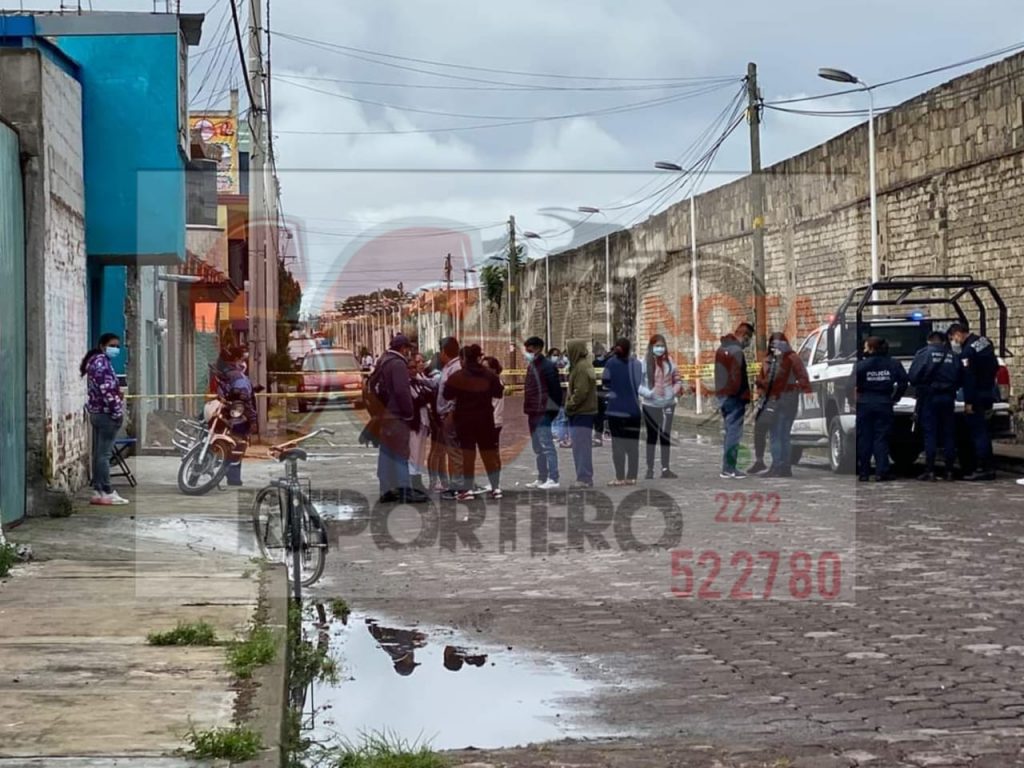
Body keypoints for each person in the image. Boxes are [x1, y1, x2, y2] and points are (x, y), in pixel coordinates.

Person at [370, 333, 427, 503]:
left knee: (386, 453)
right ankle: (404, 490)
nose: (408, 352)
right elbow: (402, 391)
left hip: (384, 414)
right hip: (397, 415)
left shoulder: (383, 361)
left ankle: (386, 489)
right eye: (407, 348)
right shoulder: (398, 364)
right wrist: (409, 412)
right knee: (401, 452)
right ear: (403, 348)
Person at [443, 345, 505, 500]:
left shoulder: (458, 376)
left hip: (464, 420)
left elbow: (447, 395)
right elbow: (498, 392)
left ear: (464, 359)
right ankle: (496, 487)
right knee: (489, 454)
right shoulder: (489, 375)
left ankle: (467, 489)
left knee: (468, 455)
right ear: (478, 357)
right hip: (485, 419)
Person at [81, 333, 129, 506]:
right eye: (112, 345)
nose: (115, 349)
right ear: (102, 346)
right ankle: (106, 491)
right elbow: (107, 391)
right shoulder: (102, 364)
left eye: (117, 346)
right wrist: (117, 412)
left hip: (97, 413)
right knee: (104, 455)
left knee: (99, 454)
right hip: (106, 414)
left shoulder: (95, 362)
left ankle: (98, 490)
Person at [948, 322, 999, 481]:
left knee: (978, 432)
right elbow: (995, 366)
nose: (954, 342)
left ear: (958, 333)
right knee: (984, 430)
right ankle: (989, 466)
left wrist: (968, 402)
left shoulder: (967, 352)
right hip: (988, 391)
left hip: (976, 394)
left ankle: (983, 468)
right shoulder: (984, 341)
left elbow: (969, 378)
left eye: (953, 338)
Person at [854, 336, 909, 482]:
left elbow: (849, 385)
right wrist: (895, 398)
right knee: (881, 437)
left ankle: (864, 472)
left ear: (872, 349)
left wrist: (854, 400)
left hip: (865, 403)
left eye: (866, 346)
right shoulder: (894, 364)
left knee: (864, 437)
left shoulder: (861, 365)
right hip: (884, 402)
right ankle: (881, 471)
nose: (864, 349)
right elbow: (903, 382)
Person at [756, 332, 811, 478]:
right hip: (791, 400)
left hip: (778, 400)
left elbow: (770, 381)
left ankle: (777, 466)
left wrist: (761, 385)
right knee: (785, 434)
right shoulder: (794, 357)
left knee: (776, 434)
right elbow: (803, 378)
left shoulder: (777, 360)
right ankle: (785, 467)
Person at [908, 331, 960, 481]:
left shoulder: (923, 354)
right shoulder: (953, 355)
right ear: (944, 342)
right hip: (948, 397)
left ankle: (930, 470)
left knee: (930, 433)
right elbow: (960, 377)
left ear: (928, 341)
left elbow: (913, 377)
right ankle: (949, 471)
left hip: (929, 397)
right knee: (949, 434)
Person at [639, 334, 683, 480]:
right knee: (651, 437)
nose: (660, 349)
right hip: (650, 405)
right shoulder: (644, 363)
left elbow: (678, 380)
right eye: (657, 346)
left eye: (662, 346)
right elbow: (637, 384)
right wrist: (649, 393)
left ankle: (665, 468)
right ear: (651, 347)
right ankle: (650, 469)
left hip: (667, 405)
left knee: (665, 437)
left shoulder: (669, 362)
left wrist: (673, 392)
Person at [212, 346, 257, 487]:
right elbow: (244, 400)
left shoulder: (219, 374)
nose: (244, 363)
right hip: (235, 419)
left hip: (220, 415)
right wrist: (253, 420)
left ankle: (195, 475)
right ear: (236, 360)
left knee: (218, 446)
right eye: (242, 359)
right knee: (236, 448)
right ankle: (233, 479)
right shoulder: (238, 377)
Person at [715, 322, 754, 479]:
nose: (748, 343)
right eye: (749, 339)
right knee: (734, 433)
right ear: (745, 336)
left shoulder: (721, 349)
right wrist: (742, 396)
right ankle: (730, 468)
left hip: (722, 396)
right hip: (735, 398)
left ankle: (726, 468)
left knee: (729, 431)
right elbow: (737, 377)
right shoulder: (737, 351)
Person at [523, 336, 563, 489]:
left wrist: (551, 411)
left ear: (538, 348)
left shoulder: (547, 366)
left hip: (543, 411)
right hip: (532, 410)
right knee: (538, 447)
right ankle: (542, 476)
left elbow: (556, 391)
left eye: (530, 350)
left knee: (547, 445)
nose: (527, 353)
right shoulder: (532, 366)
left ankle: (553, 478)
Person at [602, 337, 643, 486]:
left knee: (617, 445)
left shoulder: (610, 363)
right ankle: (632, 476)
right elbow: (639, 383)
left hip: (616, 410)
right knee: (633, 445)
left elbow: (605, 382)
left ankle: (619, 477)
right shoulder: (637, 364)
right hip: (633, 410)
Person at [564, 339, 598, 488]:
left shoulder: (581, 367)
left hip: (581, 412)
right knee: (580, 446)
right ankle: (583, 476)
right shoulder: (581, 365)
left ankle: (584, 477)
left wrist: (570, 405)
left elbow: (581, 392)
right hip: (582, 411)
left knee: (581, 446)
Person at [435, 336, 465, 499]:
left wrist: (451, 413)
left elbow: (456, 395)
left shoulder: (456, 368)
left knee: (455, 452)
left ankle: (459, 486)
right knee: (452, 451)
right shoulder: (448, 368)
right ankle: (457, 483)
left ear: (444, 352)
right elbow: (439, 385)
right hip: (446, 414)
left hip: (451, 415)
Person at [407, 350, 436, 493]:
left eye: (416, 365)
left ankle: (417, 481)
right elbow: (418, 400)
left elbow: (429, 394)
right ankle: (413, 482)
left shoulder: (420, 379)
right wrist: (425, 397)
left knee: (420, 453)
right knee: (414, 453)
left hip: (424, 421)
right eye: (411, 367)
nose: (414, 369)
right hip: (414, 423)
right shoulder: (407, 383)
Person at [483, 356, 506, 492]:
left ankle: (495, 483)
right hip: (491, 420)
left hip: (493, 421)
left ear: (493, 369)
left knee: (492, 453)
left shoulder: (494, 382)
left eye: (486, 367)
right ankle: (493, 481)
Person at [549, 348, 571, 448]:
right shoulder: (555, 367)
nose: (556, 357)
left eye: (558, 355)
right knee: (559, 417)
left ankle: (561, 436)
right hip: (558, 397)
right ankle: (559, 436)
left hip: (564, 397)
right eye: (554, 355)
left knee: (562, 417)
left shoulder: (565, 367)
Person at [592, 344, 609, 447]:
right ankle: (598, 436)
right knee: (598, 415)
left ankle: (609, 433)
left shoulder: (609, 363)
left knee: (608, 414)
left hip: (607, 392)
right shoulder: (593, 363)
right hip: (597, 392)